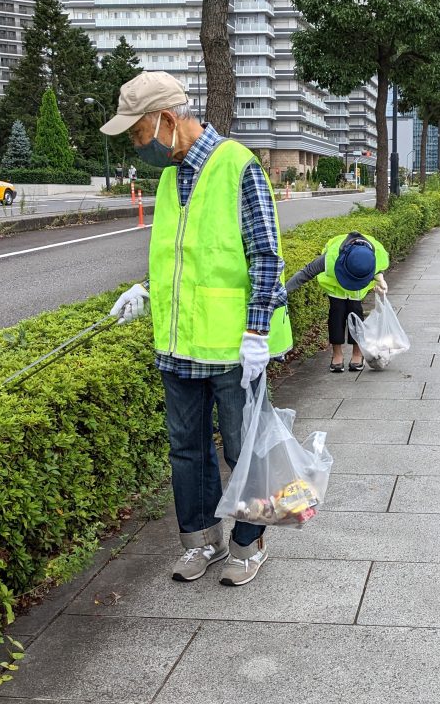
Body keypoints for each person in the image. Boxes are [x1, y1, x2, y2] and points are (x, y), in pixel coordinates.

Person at [104, 71, 292, 587]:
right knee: (187, 451)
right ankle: (201, 541)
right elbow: (183, 257)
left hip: (233, 348)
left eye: (137, 134)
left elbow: (266, 257)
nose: (136, 147)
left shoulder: (238, 166)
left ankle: (250, 544)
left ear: (166, 119)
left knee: (243, 450)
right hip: (177, 345)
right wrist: (145, 290)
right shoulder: (168, 178)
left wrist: (256, 334)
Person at [285, 232, 389, 372]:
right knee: (336, 312)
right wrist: (283, 291)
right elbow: (306, 272)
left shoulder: (376, 254)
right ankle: (337, 354)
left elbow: (379, 268)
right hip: (335, 285)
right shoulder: (330, 258)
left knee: (355, 311)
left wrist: (381, 280)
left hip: (357, 291)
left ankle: (357, 353)